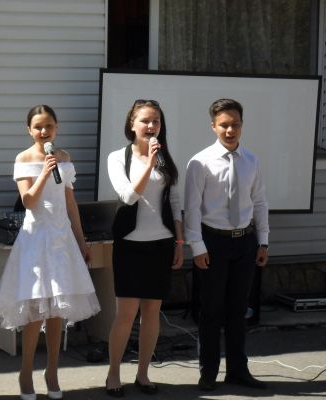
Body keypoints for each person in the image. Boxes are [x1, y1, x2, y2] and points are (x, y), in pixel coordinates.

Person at [0, 105, 101, 400]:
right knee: (36, 311)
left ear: (56, 127)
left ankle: (52, 372)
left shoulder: (64, 157)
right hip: (36, 240)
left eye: (49, 125)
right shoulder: (24, 159)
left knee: (57, 312)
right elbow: (28, 201)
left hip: (62, 239)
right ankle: (25, 372)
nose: (43, 131)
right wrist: (44, 172)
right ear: (29, 130)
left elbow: (71, 204)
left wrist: (82, 241)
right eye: (38, 126)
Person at [184, 98, 269, 391]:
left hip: (245, 242)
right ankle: (208, 372)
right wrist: (197, 247)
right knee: (211, 311)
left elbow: (259, 202)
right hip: (213, 243)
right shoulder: (200, 162)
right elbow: (192, 208)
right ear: (213, 126)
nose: (230, 130)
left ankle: (237, 370)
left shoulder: (251, 161)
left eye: (235, 124)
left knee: (238, 310)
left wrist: (263, 241)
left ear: (242, 125)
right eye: (224, 125)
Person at [105, 99, 184, 397]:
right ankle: (114, 374)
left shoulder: (165, 158)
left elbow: (174, 202)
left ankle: (143, 374)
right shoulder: (117, 157)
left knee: (152, 312)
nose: (151, 126)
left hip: (161, 243)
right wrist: (148, 164)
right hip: (130, 245)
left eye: (156, 121)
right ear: (132, 124)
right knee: (125, 314)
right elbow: (127, 196)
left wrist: (179, 242)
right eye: (145, 121)